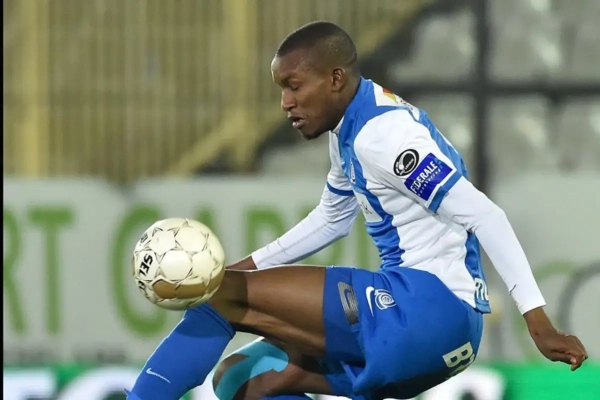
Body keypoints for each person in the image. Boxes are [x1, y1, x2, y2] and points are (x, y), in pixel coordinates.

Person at [125, 21, 588, 400]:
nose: (285, 103)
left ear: (335, 79)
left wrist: (537, 322)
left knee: (219, 296)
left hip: (426, 310)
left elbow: (486, 215)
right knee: (244, 379)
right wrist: (245, 267)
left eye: (293, 86)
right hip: (440, 336)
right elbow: (332, 219)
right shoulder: (351, 126)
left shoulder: (382, 137)